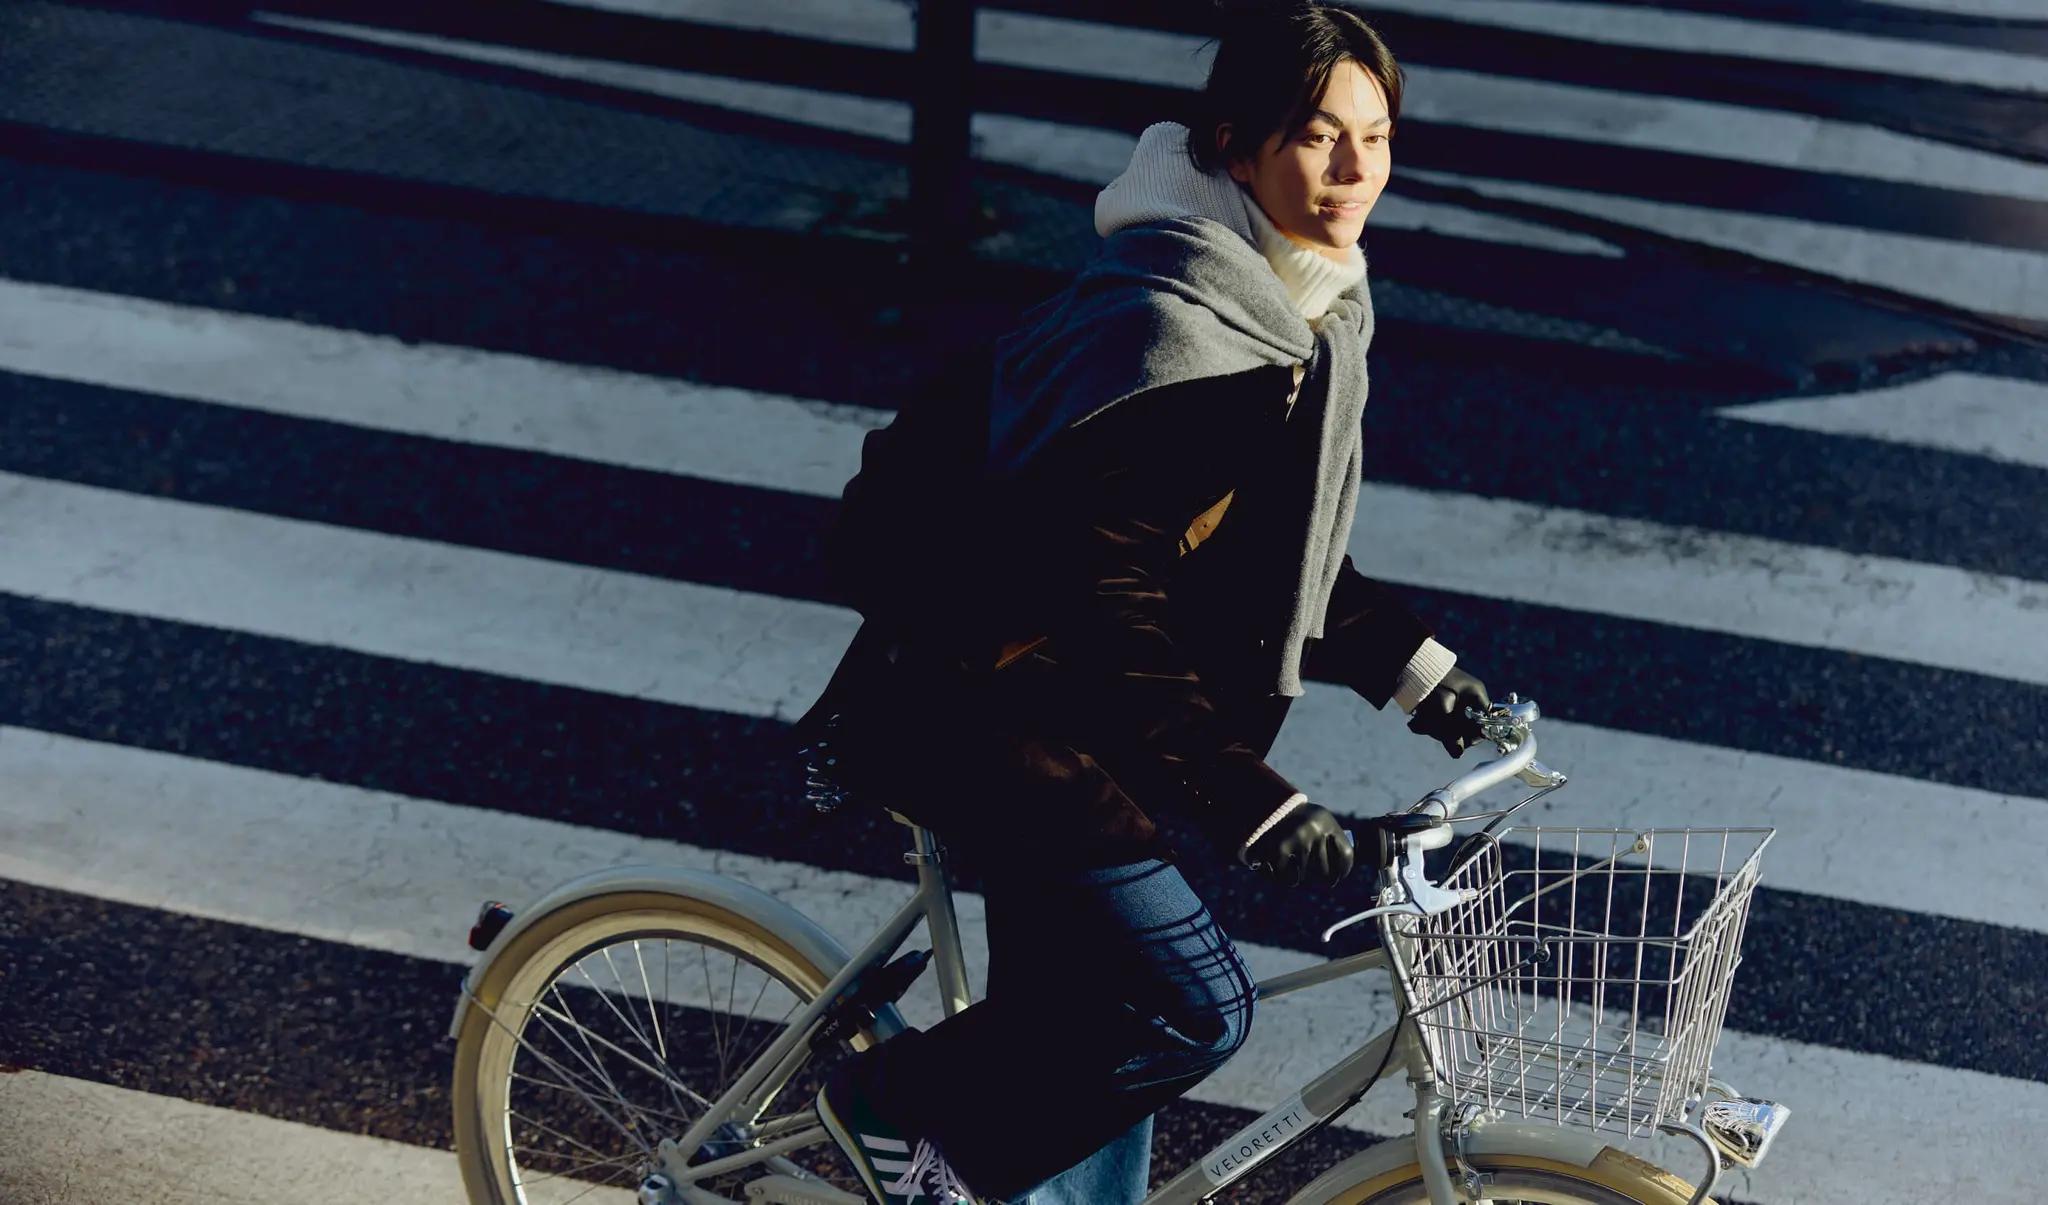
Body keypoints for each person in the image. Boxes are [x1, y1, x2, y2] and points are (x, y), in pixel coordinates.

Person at [793, 4, 1490, 1201]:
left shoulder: (1291, 307)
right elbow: (1109, 595)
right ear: (1233, 145)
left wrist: (1421, 671)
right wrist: (1255, 802)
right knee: (1188, 1009)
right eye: (1317, 135)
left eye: (1374, 137)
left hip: (1078, 727)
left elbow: (1254, 560)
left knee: (1090, 1052)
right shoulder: (1179, 331)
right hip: (993, 721)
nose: (1353, 169)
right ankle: (887, 1106)